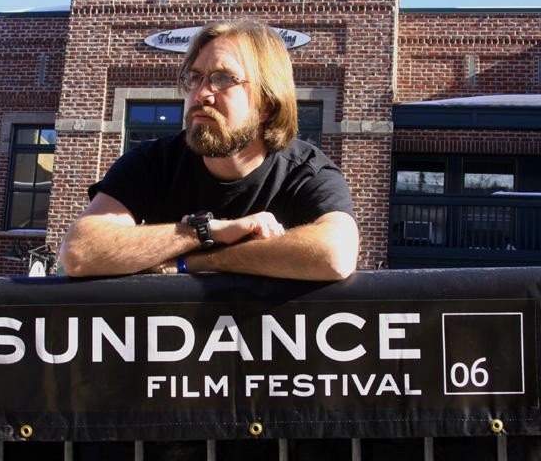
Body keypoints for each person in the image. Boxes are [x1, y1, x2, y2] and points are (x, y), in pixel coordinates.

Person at [59, 19, 359, 281]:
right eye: (195, 78)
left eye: (223, 78)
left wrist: (200, 262)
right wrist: (206, 231)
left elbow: (335, 254)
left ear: (266, 105)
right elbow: (79, 253)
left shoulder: (306, 171)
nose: (201, 94)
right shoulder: (152, 162)